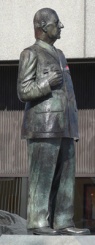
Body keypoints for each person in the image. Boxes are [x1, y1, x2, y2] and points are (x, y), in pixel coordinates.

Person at [17, 8, 90, 235]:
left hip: (65, 125)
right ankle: (38, 222)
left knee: (66, 178)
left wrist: (74, 123)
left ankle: (64, 221)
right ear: (43, 26)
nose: (61, 27)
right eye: (57, 23)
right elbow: (22, 90)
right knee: (42, 176)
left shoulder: (60, 55)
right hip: (43, 126)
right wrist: (46, 82)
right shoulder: (30, 53)